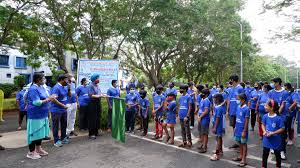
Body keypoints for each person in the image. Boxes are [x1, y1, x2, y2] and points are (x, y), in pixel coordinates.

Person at [26, 73, 55, 159]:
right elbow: (36, 102)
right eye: (43, 78)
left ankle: (38, 149)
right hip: (35, 114)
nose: (44, 80)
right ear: (38, 79)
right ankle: (31, 152)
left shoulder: (41, 87)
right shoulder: (33, 89)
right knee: (34, 133)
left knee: (40, 133)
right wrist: (48, 99)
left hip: (43, 113)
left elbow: (45, 97)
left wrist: (50, 97)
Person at [268, 77, 289, 160]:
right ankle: (273, 147)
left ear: (278, 83)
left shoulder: (285, 93)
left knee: (282, 135)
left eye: (273, 82)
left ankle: (282, 151)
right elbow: (269, 103)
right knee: (273, 132)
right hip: (272, 115)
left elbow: (283, 105)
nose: (272, 84)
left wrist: (276, 114)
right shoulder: (271, 92)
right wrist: (271, 114)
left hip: (281, 116)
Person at [261, 100, 285, 168]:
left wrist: (273, 133)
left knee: (277, 154)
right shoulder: (265, 116)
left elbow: (282, 128)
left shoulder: (278, 118)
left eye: (266, 105)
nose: (264, 106)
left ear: (271, 108)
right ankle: (263, 166)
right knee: (265, 154)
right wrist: (264, 131)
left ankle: (278, 166)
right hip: (266, 139)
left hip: (276, 140)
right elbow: (262, 124)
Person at [50, 74, 71, 147]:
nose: (68, 81)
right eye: (66, 80)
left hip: (63, 110)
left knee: (64, 124)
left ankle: (63, 138)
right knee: (56, 125)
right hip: (56, 110)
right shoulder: (56, 88)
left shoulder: (65, 87)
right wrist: (63, 105)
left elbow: (69, 95)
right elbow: (53, 99)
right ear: (62, 80)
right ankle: (56, 141)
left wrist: (68, 89)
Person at [232, 93, 250, 167]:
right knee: (239, 143)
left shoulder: (247, 109)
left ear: (243, 100)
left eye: (238, 99)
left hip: (243, 130)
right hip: (238, 128)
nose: (237, 100)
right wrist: (235, 127)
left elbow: (246, 121)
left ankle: (244, 160)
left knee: (244, 144)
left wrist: (244, 131)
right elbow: (237, 118)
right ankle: (240, 156)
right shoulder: (238, 107)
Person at [227, 75, 245, 149]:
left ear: (233, 80)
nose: (229, 82)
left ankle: (241, 143)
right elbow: (228, 100)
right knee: (234, 126)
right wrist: (227, 110)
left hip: (238, 111)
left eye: (230, 80)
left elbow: (243, 99)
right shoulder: (230, 89)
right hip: (231, 111)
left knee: (239, 126)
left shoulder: (240, 88)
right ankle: (237, 142)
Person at [87, 73, 105, 139]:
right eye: (97, 78)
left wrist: (103, 95)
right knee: (92, 118)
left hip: (97, 102)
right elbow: (91, 95)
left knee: (97, 117)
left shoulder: (97, 86)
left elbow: (99, 93)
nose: (98, 79)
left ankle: (96, 132)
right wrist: (100, 96)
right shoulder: (90, 86)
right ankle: (91, 134)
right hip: (92, 103)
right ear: (94, 79)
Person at [210, 93, 225, 161]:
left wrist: (215, 127)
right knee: (219, 138)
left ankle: (216, 154)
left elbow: (218, 119)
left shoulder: (219, 108)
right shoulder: (217, 107)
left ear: (218, 99)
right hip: (217, 125)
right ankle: (220, 150)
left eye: (215, 99)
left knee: (218, 138)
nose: (214, 100)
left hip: (218, 126)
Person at [198, 88, 211, 153]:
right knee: (202, 132)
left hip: (205, 119)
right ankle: (203, 144)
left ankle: (205, 147)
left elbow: (206, 111)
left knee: (205, 133)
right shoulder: (202, 100)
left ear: (206, 94)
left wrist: (200, 117)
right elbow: (200, 109)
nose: (201, 94)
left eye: (203, 93)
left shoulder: (207, 101)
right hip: (201, 118)